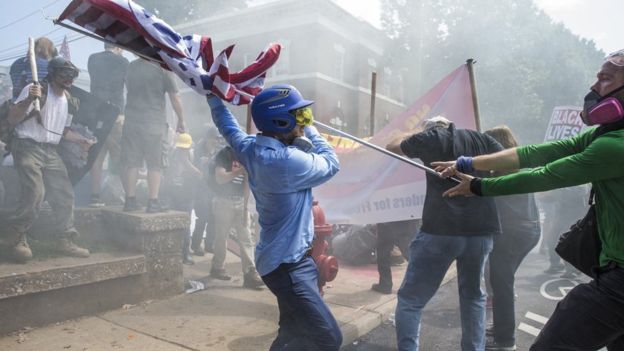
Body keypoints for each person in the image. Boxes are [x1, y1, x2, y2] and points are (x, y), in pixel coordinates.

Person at [433, 50, 624, 351]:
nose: (594, 87)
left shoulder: (615, 146)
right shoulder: (606, 135)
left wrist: (479, 187)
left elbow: (545, 174)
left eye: (605, 78)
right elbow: (538, 152)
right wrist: (468, 162)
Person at [206, 84, 342, 350]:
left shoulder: (249, 148)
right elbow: (331, 163)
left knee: (292, 332)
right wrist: (311, 132)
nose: (303, 122)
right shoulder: (289, 162)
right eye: (299, 117)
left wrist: (213, 97)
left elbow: (228, 127)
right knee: (328, 337)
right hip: (289, 267)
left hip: (280, 261)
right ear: (281, 121)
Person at [386, 116, 503, 351]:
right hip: (481, 231)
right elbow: (505, 160)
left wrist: (415, 131)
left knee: (411, 300)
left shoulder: (430, 137)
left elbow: (392, 146)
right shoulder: (481, 138)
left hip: (440, 230)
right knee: (473, 297)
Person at [2, 57, 94, 263]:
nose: (69, 79)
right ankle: (16, 237)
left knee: (64, 193)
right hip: (27, 146)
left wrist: (82, 140)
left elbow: (64, 131)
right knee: (36, 191)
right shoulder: (35, 89)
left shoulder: (69, 101)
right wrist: (28, 100)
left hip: (51, 151)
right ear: (53, 74)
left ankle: (64, 239)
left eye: (72, 75)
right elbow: (12, 119)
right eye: (65, 74)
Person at [482, 125, 541, 351]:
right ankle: (500, 327)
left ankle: (505, 340)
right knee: (502, 282)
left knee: (502, 284)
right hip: (530, 231)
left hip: (511, 233)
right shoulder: (519, 162)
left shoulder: (500, 169)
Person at [121, 58, 186, 213]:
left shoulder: (131, 67)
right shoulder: (163, 68)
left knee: (132, 162)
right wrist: (181, 120)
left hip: (131, 121)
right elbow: (175, 97)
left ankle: (130, 201)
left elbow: (128, 87)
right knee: (154, 163)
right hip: (153, 122)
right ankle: (153, 202)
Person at [208, 145, 264, 288]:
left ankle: (250, 273)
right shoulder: (224, 154)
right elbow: (220, 178)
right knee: (221, 236)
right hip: (223, 200)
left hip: (239, 201)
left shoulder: (245, 155)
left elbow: (246, 183)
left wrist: (246, 208)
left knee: (246, 237)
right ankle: (217, 267)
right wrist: (239, 171)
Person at [87, 42, 129, 207]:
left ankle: (95, 197)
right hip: (115, 114)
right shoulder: (123, 62)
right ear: (119, 47)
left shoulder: (92, 59)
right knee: (120, 156)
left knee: (97, 155)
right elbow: (127, 85)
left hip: (96, 112)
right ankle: (129, 197)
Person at [162, 132, 202, 265]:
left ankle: (186, 253)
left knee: (185, 225)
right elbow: (165, 174)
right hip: (172, 194)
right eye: (181, 148)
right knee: (172, 224)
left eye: (185, 148)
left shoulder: (194, 155)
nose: (183, 151)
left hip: (187, 194)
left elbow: (200, 175)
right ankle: (171, 253)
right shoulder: (172, 154)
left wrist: (186, 163)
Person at [190, 126, 221, 255]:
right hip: (200, 189)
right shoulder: (198, 151)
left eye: (218, 139)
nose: (217, 141)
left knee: (213, 218)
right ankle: (196, 245)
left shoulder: (218, 152)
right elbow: (196, 170)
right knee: (202, 217)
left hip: (214, 189)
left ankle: (209, 244)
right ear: (208, 138)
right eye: (215, 138)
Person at [372, 219, 419, 294]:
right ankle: (424, 280)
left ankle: (385, 284)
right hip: (405, 218)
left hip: (388, 218)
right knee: (410, 251)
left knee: (384, 251)